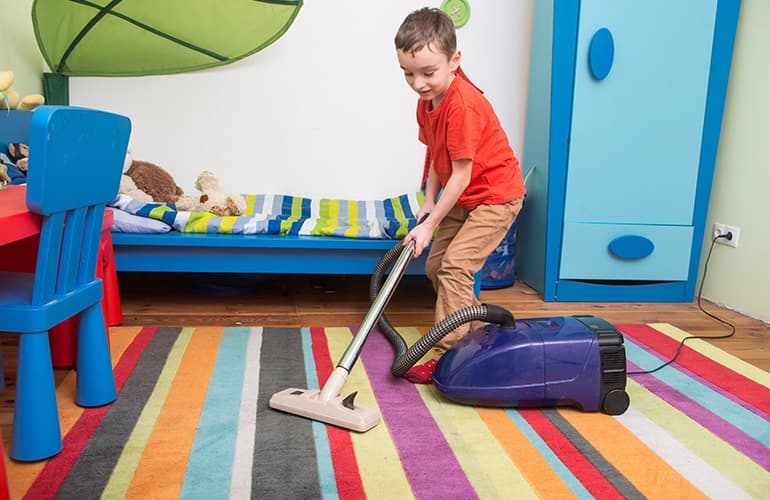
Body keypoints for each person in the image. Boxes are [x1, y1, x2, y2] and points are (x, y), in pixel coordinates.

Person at [394, 7, 526, 383]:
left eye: (428, 73)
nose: (418, 83)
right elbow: (438, 156)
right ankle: (476, 335)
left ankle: (448, 357)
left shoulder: (463, 105)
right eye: (408, 73)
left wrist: (429, 225)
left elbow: (463, 174)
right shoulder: (428, 101)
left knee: (455, 268)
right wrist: (429, 202)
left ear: (454, 61)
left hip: (495, 197)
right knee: (437, 267)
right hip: (464, 196)